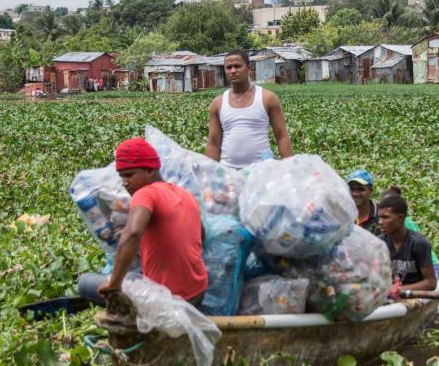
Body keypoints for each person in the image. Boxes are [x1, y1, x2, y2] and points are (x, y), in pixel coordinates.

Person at [78, 137, 209, 307]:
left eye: (130, 175)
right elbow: (201, 234)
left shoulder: (145, 193)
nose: (125, 183)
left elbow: (132, 233)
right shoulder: (184, 194)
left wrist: (114, 285)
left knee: (85, 282)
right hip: (198, 292)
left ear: (150, 170)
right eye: (122, 177)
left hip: (166, 299)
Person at [207, 50, 293, 169]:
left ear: (249, 68)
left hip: (262, 172)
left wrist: (290, 169)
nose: (233, 71)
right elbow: (213, 142)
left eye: (237, 66)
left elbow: (281, 136)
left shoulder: (267, 98)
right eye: (229, 67)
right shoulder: (218, 103)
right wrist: (209, 175)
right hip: (229, 172)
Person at [377, 195, 437, 292]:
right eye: (379, 217)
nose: (380, 222)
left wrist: (399, 289)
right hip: (391, 291)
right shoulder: (380, 243)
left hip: (414, 293)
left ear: (401, 218)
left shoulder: (418, 243)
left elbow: (430, 283)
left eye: (385, 217)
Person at [347, 169, 380, 235]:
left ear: (370, 191)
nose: (355, 194)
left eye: (360, 189)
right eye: (352, 189)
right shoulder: (341, 213)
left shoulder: (381, 214)